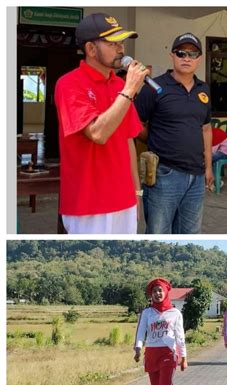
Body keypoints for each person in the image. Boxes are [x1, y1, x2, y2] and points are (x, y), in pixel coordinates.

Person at [55, 13, 149, 234]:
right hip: (88, 203)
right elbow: (97, 133)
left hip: (124, 200)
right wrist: (129, 90)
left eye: (122, 43)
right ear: (90, 49)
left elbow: (128, 141)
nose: (121, 49)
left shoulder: (119, 84)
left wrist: (136, 193)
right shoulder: (69, 84)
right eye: (112, 43)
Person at [134, 32, 214, 234]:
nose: (186, 58)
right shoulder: (155, 87)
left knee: (191, 235)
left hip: (196, 176)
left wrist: (208, 167)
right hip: (164, 173)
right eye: (181, 53)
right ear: (172, 55)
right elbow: (135, 124)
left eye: (192, 54)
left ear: (199, 58)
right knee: (158, 233)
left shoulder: (203, 89)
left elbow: (205, 128)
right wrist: (154, 139)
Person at [134, 278, 187, 385]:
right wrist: (137, 349)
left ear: (166, 292)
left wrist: (183, 356)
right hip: (152, 353)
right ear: (151, 294)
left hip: (168, 353)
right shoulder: (147, 313)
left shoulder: (175, 313)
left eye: (160, 290)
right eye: (154, 291)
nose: (157, 294)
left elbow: (180, 336)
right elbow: (140, 332)